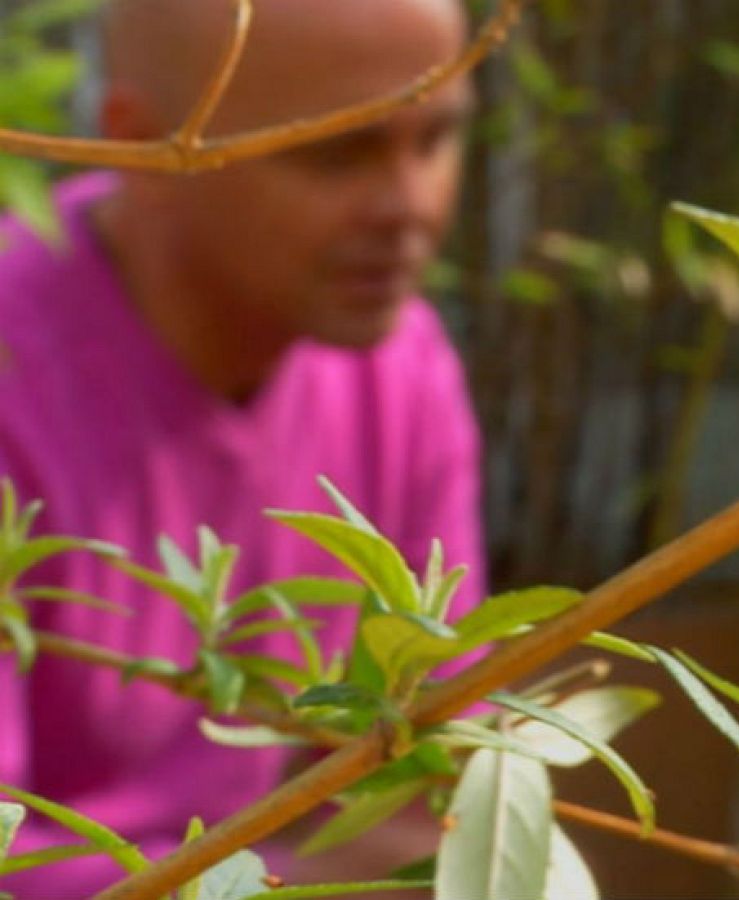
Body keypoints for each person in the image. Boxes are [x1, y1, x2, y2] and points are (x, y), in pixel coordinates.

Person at [0, 0, 483, 893]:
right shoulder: (16, 373)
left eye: (439, 140)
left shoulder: (402, 369)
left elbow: (447, 780)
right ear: (143, 149)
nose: (409, 205)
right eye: (337, 151)